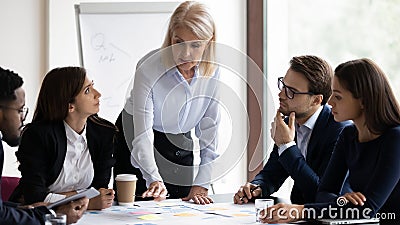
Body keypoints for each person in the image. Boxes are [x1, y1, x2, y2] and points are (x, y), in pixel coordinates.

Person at [263, 58, 400, 224]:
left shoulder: (395, 138)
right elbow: (324, 193)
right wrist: (342, 202)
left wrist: (301, 210)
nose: (329, 102)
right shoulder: (349, 135)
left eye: (338, 97)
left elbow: (368, 209)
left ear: (363, 101)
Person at [114, 1, 219, 204]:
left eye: (195, 44)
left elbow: (210, 133)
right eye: (178, 42)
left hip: (180, 138)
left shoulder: (214, 71)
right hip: (137, 134)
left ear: (209, 42)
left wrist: (202, 183)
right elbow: (142, 137)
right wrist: (154, 178)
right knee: (137, 210)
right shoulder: (148, 67)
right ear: (170, 36)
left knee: (182, 208)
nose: (185, 53)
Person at [234, 55, 351, 205]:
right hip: (298, 214)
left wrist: (287, 145)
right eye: (283, 85)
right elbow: (273, 173)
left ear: (316, 100)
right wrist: (257, 187)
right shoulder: (290, 122)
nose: (281, 95)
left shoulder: (340, 130)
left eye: (291, 92)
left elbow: (322, 194)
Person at [10, 67, 116, 210]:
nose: (98, 94)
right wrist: (88, 202)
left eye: (93, 86)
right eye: (87, 90)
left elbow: (100, 191)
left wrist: (57, 196)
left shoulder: (104, 132)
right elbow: (34, 196)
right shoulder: (38, 136)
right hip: (38, 217)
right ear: (70, 106)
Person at [0, 66, 88, 224]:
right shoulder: (39, 135)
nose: (22, 118)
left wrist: (25, 210)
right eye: (19, 110)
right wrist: (49, 215)